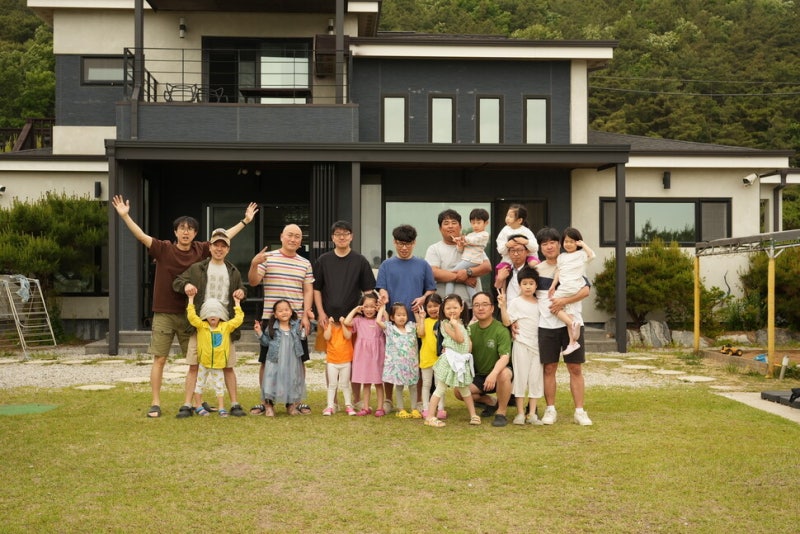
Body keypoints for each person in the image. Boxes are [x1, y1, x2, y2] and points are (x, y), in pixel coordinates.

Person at [111, 194, 257, 418]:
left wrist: (245, 221)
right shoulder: (163, 248)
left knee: (197, 360)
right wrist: (125, 216)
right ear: (176, 232)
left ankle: (196, 402)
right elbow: (141, 236)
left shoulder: (201, 249)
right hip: (165, 312)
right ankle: (155, 402)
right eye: (182, 228)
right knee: (160, 358)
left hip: (193, 316)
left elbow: (223, 239)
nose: (186, 232)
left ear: (196, 233)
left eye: (190, 229)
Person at [172, 228, 248, 418]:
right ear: (210, 246)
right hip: (200, 324)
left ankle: (235, 403)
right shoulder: (197, 268)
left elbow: (241, 289)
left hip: (224, 325)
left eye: (223, 246)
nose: (219, 249)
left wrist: (241, 292)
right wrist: (187, 285)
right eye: (216, 245)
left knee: (228, 365)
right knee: (194, 364)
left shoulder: (233, 270)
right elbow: (177, 282)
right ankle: (187, 404)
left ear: (228, 249)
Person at [248, 223, 314, 415]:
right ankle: (266, 401)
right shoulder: (268, 258)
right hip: (271, 320)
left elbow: (308, 290)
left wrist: (305, 315)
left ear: (301, 241)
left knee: (299, 361)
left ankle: (295, 401)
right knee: (267, 361)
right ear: (281, 237)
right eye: (289, 235)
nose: (293, 239)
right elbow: (253, 281)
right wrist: (254, 264)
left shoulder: (305, 263)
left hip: (296, 321)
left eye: (297, 236)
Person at [313, 220, 376, 409]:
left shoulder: (360, 261)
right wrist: (320, 313)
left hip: (354, 321)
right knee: (331, 359)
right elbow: (316, 289)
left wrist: (368, 314)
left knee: (355, 359)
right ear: (332, 238)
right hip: (329, 319)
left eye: (345, 233)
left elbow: (368, 291)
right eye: (338, 234)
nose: (342, 237)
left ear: (351, 236)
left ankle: (356, 399)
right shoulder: (323, 260)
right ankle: (333, 401)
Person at [536, 227, 593, 426]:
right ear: (540, 247)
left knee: (575, 368)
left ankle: (580, 411)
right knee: (549, 368)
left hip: (573, 322)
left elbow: (585, 291)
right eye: (544, 244)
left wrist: (563, 301)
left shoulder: (573, 262)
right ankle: (550, 409)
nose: (549, 246)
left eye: (552, 242)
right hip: (546, 325)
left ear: (559, 244)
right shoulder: (537, 270)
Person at [375, 224, 436, 413]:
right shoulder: (386, 265)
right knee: (390, 360)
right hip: (392, 324)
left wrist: (423, 298)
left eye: (408, 244)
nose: (404, 247)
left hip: (416, 323)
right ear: (394, 242)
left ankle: (419, 400)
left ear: (414, 243)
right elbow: (381, 287)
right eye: (400, 243)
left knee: (417, 361)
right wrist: (383, 295)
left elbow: (431, 289)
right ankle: (388, 399)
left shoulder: (423, 265)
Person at [455, 291, 513, 427]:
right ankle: (491, 402)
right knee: (458, 391)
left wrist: (493, 374)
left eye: (485, 304)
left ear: (492, 308)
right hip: (480, 376)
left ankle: (501, 412)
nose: (480, 308)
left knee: (504, 373)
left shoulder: (501, 329)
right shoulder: (470, 330)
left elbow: (505, 357)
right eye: (476, 305)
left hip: (498, 373)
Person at [425, 209, 491, 322]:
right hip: (445, 309)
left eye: (454, 223)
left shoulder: (471, 245)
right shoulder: (434, 249)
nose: (450, 226)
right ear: (440, 228)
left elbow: (486, 267)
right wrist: (463, 279)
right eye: (446, 223)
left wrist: (468, 272)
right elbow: (434, 273)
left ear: (460, 226)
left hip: (470, 307)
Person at [424, 294, 479, 428]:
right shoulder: (445, 324)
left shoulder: (464, 324)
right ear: (443, 309)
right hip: (450, 360)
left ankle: (473, 415)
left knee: (465, 390)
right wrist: (455, 325)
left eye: (455, 307)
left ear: (461, 307)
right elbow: (459, 339)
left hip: (461, 361)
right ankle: (430, 416)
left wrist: (466, 355)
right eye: (448, 308)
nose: (452, 310)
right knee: (440, 388)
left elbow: (467, 342)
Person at [497, 267, 543, 425]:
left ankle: (532, 413)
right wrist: (503, 306)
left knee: (535, 379)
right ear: (519, 285)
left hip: (537, 346)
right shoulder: (516, 302)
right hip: (521, 344)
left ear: (536, 285)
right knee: (521, 377)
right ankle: (520, 413)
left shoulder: (540, 303)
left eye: (531, 283)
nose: (528, 286)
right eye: (525, 283)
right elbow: (506, 321)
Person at [185, 294, 244, 417]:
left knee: (219, 386)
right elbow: (191, 316)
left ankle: (221, 407)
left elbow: (238, 319)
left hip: (218, 364)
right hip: (204, 363)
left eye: (216, 312)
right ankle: (198, 406)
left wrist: (237, 303)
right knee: (199, 385)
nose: (213, 315)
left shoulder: (226, 327)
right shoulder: (201, 326)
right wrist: (191, 299)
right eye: (209, 312)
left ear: (221, 315)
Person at [253, 300, 306, 416]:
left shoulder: (296, 325)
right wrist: (259, 332)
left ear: (291, 312)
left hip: (291, 360)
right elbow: (266, 343)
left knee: (291, 380)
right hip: (275, 360)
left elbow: (304, 336)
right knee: (271, 380)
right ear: (275, 315)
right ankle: (269, 405)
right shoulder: (272, 328)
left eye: (286, 309)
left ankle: (291, 405)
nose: (284, 312)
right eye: (280, 311)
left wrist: (309, 320)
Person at [548, 227, 595, 355]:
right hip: (566, 286)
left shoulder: (581, 255)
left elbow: (592, 255)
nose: (568, 244)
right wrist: (553, 285)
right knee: (569, 312)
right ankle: (572, 342)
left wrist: (583, 244)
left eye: (572, 241)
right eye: (566, 241)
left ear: (577, 242)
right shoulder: (562, 257)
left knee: (553, 305)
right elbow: (559, 271)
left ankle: (572, 323)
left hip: (572, 285)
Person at [343, 294, 385, 416]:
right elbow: (346, 321)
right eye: (366, 306)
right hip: (363, 355)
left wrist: (382, 308)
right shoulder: (358, 320)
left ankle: (380, 408)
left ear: (376, 307)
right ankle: (366, 407)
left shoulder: (380, 320)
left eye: (372, 306)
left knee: (378, 382)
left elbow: (386, 319)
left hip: (377, 354)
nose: (369, 309)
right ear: (362, 307)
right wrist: (355, 310)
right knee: (366, 382)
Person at [376, 302, 420, 419]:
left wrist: (417, 314)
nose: (402, 317)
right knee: (399, 387)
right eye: (398, 315)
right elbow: (378, 321)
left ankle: (414, 408)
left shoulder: (411, 327)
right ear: (392, 317)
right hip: (397, 366)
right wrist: (382, 308)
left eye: (404, 315)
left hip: (411, 364)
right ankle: (401, 409)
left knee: (413, 386)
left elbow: (421, 326)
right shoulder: (390, 329)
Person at [445, 208, 490, 299]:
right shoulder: (470, 235)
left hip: (471, 261)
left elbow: (474, 240)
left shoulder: (484, 234)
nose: (475, 225)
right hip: (468, 259)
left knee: (451, 276)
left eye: (478, 223)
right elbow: (461, 250)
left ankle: (447, 298)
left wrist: (463, 239)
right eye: (473, 223)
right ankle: (474, 300)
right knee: (469, 284)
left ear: (486, 223)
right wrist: (460, 244)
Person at [415, 293, 445, 419]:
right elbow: (421, 333)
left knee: (440, 385)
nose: (433, 309)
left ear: (441, 306)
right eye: (429, 306)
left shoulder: (444, 322)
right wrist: (421, 318)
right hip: (426, 358)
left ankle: (441, 408)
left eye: (436, 305)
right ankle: (426, 408)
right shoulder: (424, 321)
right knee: (426, 384)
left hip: (440, 359)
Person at [322, 317, 355, 416]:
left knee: (345, 384)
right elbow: (327, 337)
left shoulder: (347, 326)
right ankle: (330, 406)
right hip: (332, 361)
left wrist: (343, 323)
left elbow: (348, 336)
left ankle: (348, 405)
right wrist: (330, 324)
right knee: (332, 385)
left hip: (345, 360)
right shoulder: (328, 326)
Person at [495, 204, 539, 272]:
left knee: (534, 264)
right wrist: (507, 245)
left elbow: (535, 247)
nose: (507, 218)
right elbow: (500, 250)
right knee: (501, 271)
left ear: (519, 220)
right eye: (507, 215)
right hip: (509, 260)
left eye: (510, 216)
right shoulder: (504, 230)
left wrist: (526, 242)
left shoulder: (526, 231)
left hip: (528, 258)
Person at [494, 234, 534, 303]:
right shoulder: (505, 270)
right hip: (508, 309)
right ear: (508, 252)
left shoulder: (533, 269)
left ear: (527, 251)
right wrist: (499, 280)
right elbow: (496, 298)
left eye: (519, 250)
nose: (516, 254)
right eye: (512, 250)